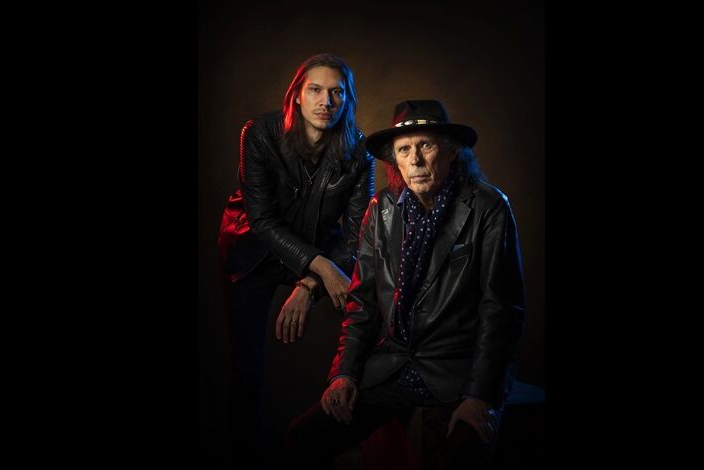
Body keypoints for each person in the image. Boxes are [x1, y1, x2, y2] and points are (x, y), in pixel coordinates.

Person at [285, 99, 526, 469]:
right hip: (393, 367)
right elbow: (363, 305)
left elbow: (501, 312)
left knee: (465, 455)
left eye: (425, 146)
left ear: (451, 152)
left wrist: (479, 395)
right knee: (301, 437)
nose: (415, 160)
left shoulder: (488, 206)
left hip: (457, 373)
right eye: (403, 150)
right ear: (394, 160)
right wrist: (343, 373)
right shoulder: (380, 209)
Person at [217, 53, 374, 468]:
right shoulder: (259, 134)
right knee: (245, 368)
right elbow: (262, 221)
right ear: (297, 96)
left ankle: (355, 429)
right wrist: (321, 268)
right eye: (316, 90)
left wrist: (308, 284)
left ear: (347, 100)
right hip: (252, 251)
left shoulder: (359, 151)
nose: (327, 101)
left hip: (315, 249)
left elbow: (357, 235)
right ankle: (242, 452)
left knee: (370, 305)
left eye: (337, 92)